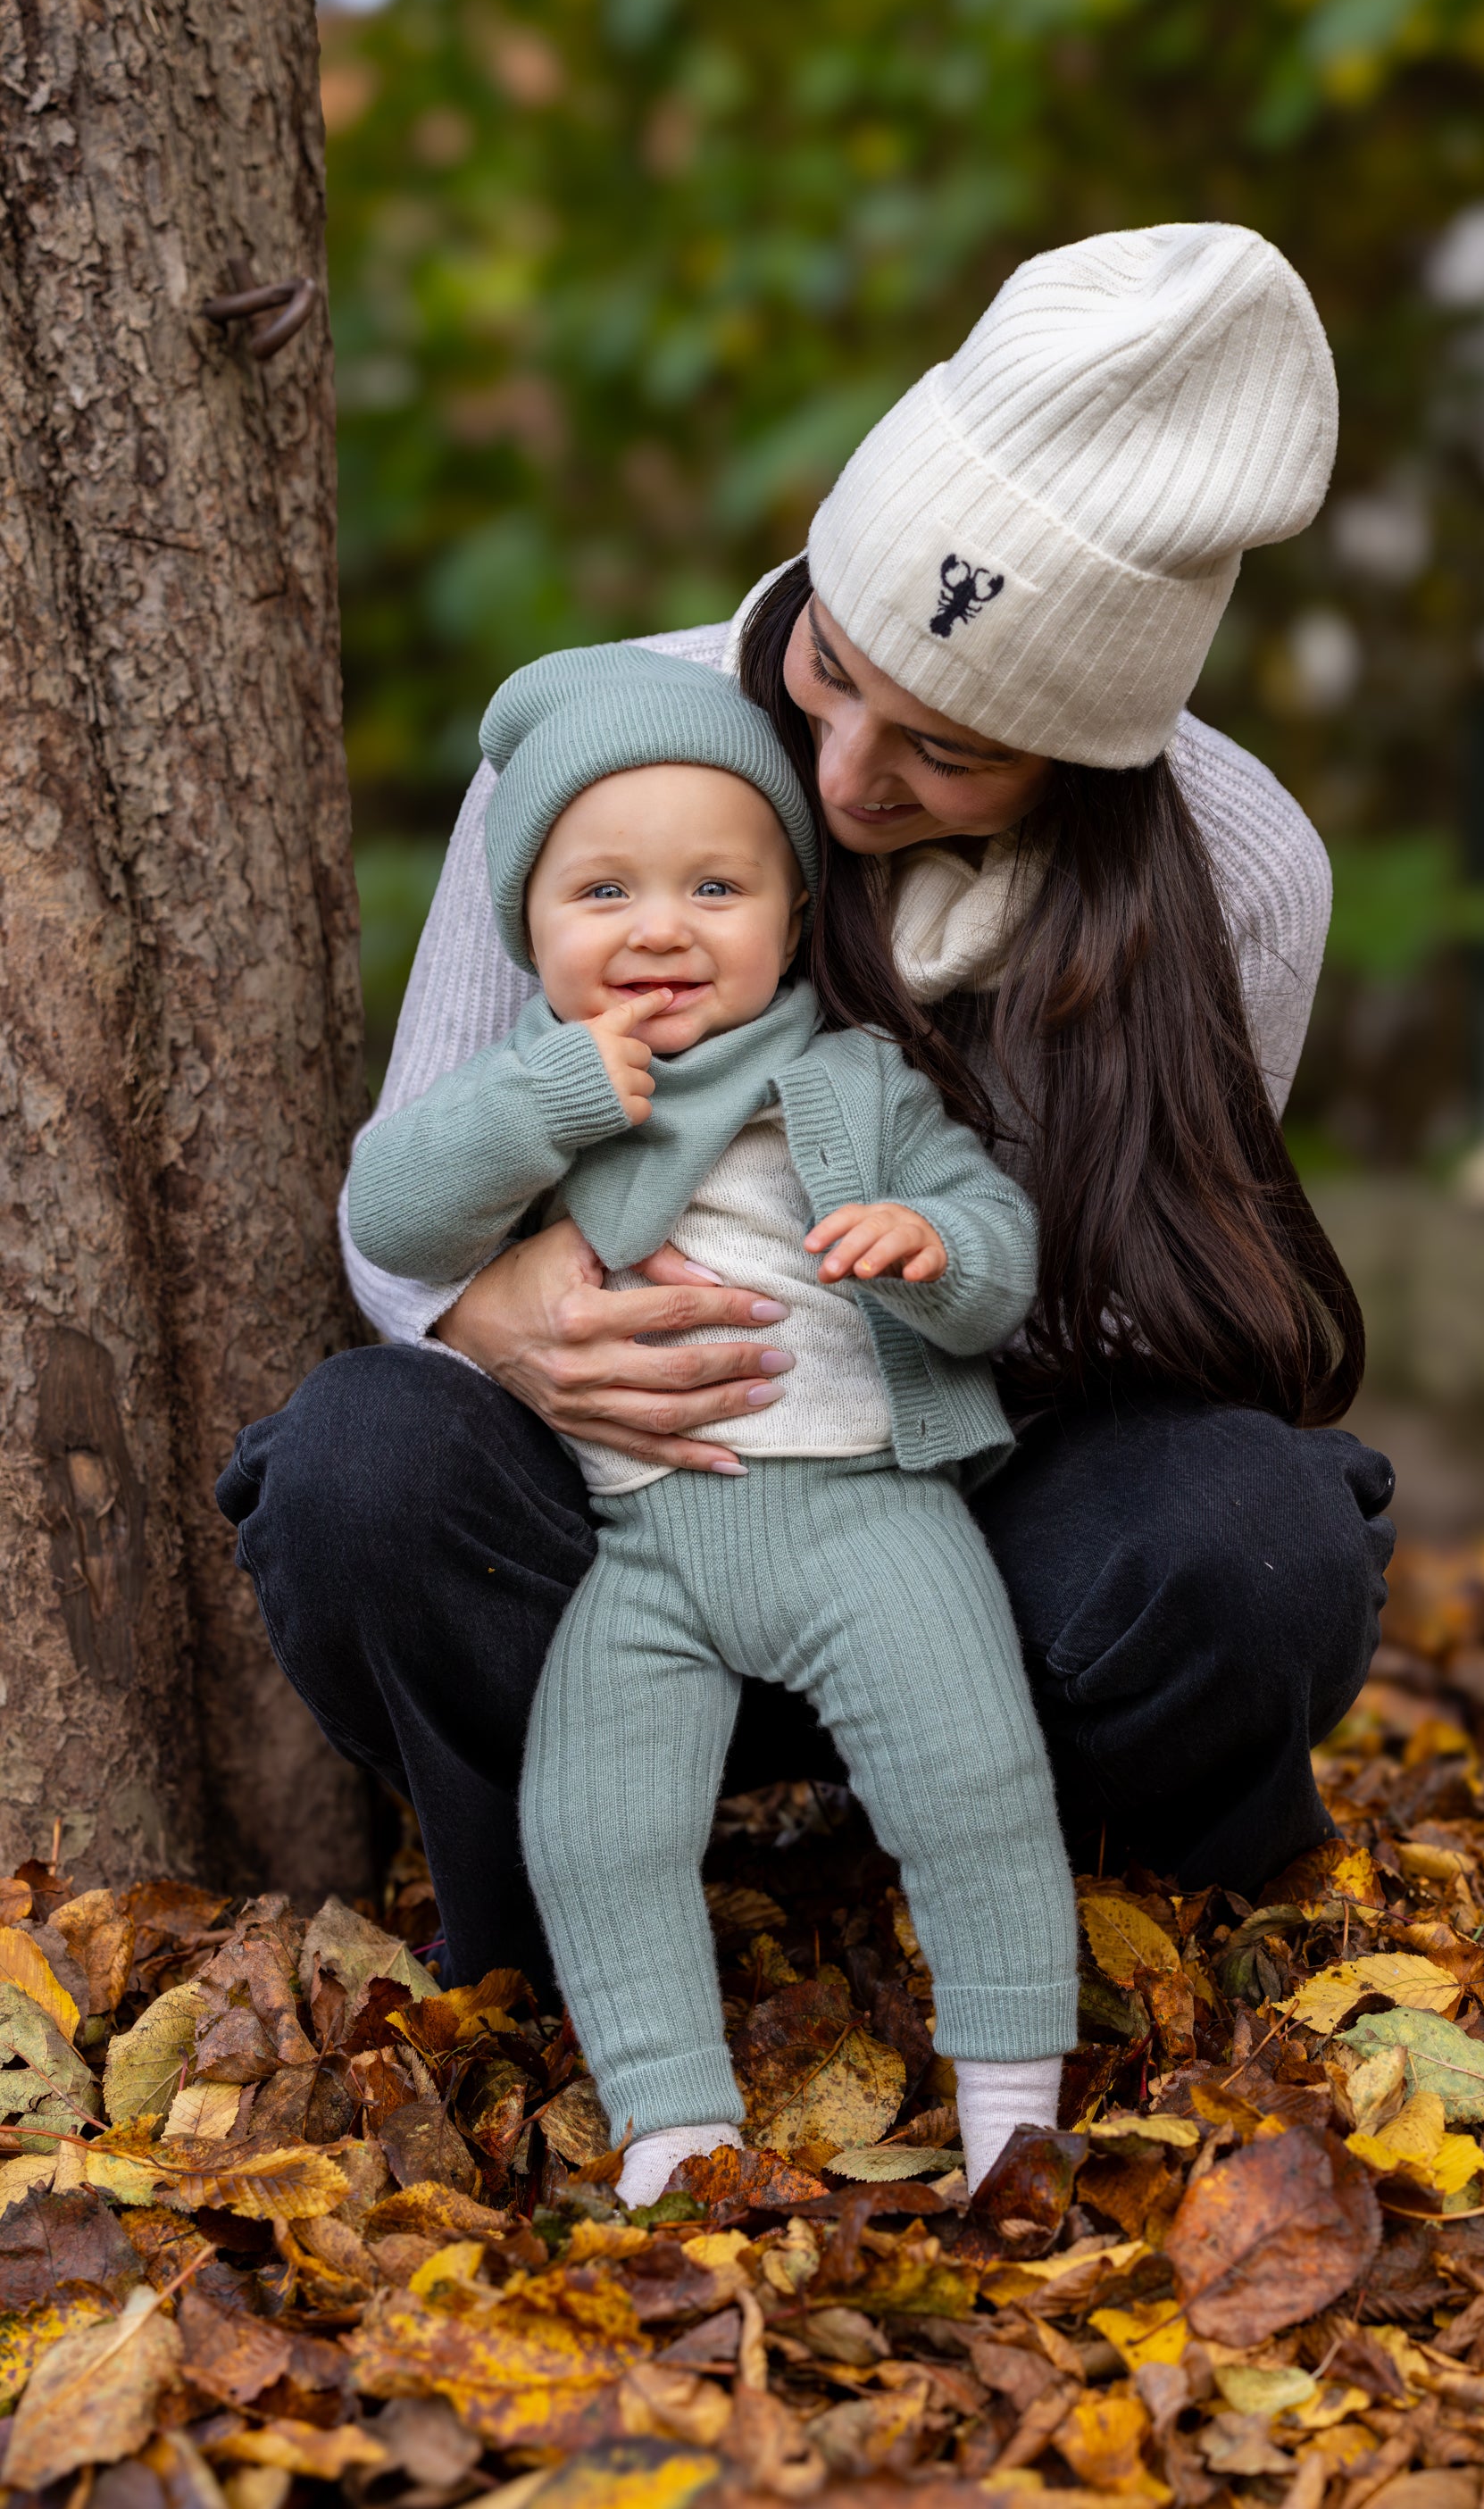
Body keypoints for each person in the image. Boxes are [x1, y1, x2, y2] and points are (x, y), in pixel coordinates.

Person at [219, 221, 1396, 2003]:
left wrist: (931, 1288)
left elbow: (1171, 1329)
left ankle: (1074, 1858)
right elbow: (407, 1182)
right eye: (834, 668)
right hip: (624, 1501)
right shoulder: (604, 757)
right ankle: (542, 1904)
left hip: (973, 1529)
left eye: (946, 751)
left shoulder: (1236, 875)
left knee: (1250, 1533)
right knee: (356, 1467)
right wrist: (480, 1309)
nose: (843, 777)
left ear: (1083, 755)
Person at [344, 646, 1078, 2202]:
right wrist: (538, 1100)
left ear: (795, 917)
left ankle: (1013, 2101)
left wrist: (933, 1252)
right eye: (600, 895)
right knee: (593, 1822)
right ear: (527, 931)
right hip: (644, 1548)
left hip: (872, 1520)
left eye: (715, 891)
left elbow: (995, 1241)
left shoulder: (859, 1073)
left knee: (975, 1778)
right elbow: (391, 1216)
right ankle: (674, 2126)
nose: (660, 930)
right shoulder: (531, 1096)